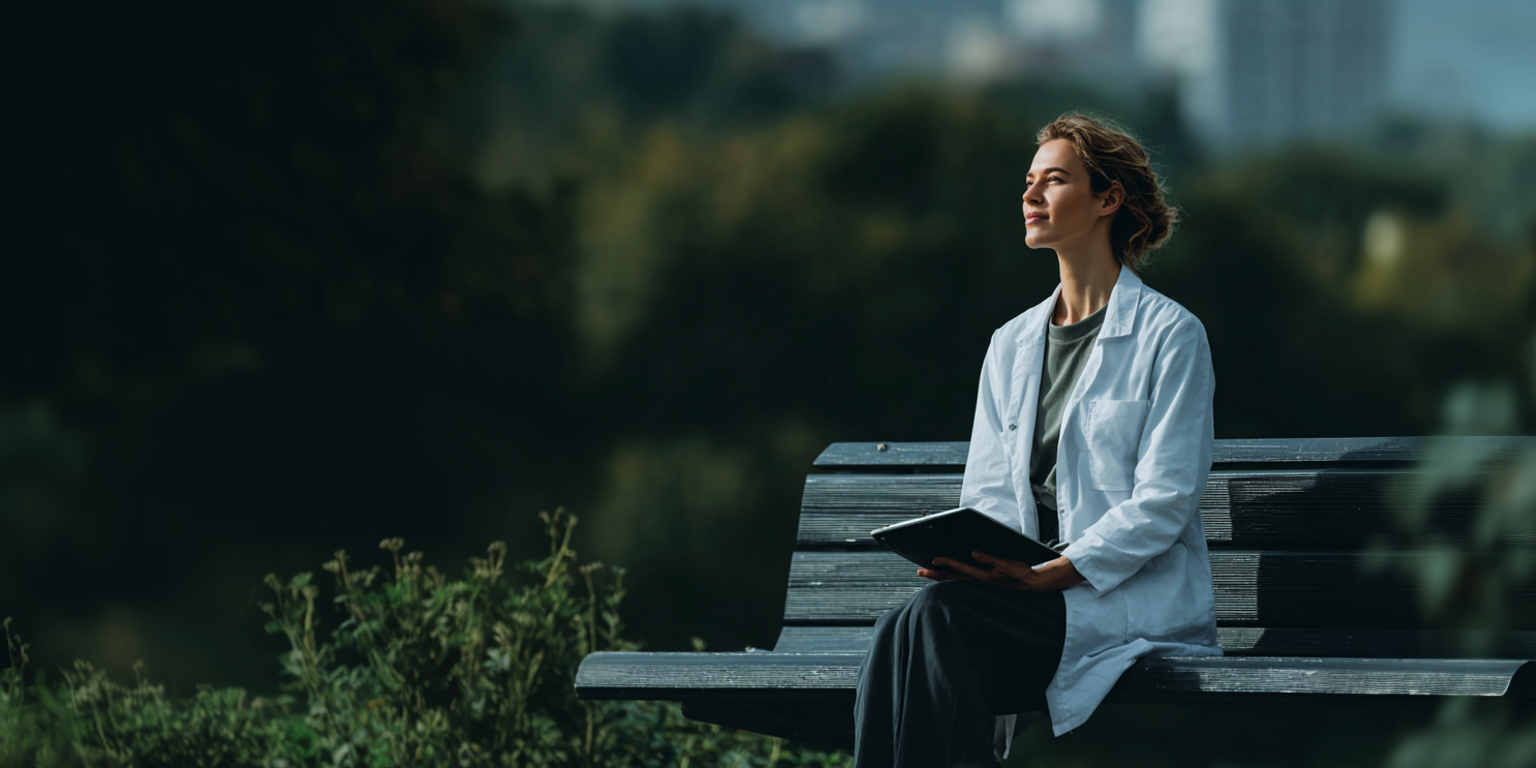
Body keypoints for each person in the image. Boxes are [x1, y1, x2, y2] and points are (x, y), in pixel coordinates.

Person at [853, 113, 1221, 767]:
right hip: (1020, 593)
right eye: (1029, 181)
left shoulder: (1172, 335)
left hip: (1117, 598)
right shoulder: (1011, 344)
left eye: (1054, 180)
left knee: (936, 623)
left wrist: (1055, 573)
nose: (1030, 194)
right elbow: (989, 493)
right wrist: (973, 560)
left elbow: (1165, 499)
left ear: (1108, 199)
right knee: (900, 628)